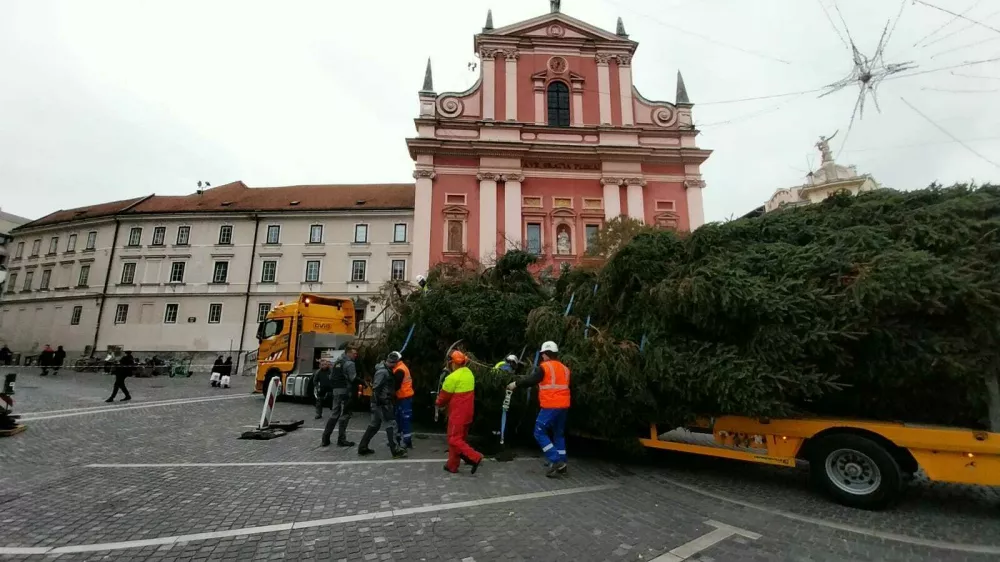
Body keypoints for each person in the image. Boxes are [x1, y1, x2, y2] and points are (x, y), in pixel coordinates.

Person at [508, 341, 570, 477]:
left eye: (543, 354)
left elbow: (532, 380)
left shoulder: (545, 367)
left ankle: (556, 461)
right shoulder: (565, 369)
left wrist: (516, 384)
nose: (542, 357)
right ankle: (563, 463)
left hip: (551, 405)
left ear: (547, 354)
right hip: (564, 406)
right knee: (558, 434)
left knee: (539, 432)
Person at [437, 350, 483, 474]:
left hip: (458, 414)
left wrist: (438, 403)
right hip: (468, 413)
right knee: (459, 439)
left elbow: (442, 398)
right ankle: (452, 465)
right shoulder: (469, 373)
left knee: (453, 439)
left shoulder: (452, 378)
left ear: (452, 363)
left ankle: (475, 457)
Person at [357, 355, 407, 458]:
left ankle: (362, 447)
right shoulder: (383, 372)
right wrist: (381, 401)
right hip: (382, 403)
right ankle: (395, 450)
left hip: (379, 402)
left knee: (374, 425)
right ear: (394, 363)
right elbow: (376, 388)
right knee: (391, 424)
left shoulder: (384, 370)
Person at [320, 347, 359, 448]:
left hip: (336, 391)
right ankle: (341, 440)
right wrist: (362, 381)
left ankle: (325, 439)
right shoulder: (350, 363)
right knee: (345, 414)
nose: (356, 355)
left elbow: (330, 376)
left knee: (334, 414)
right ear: (348, 353)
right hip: (345, 391)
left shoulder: (337, 362)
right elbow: (353, 378)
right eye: (354, 353)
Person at [387, 351, 414, 449]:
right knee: (398, 418)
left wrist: (389, 394)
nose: (389, 363)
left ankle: (407, 441)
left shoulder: (400, 370)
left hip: (404, 397)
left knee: (404, 419)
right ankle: (397, 439)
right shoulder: (399, 367)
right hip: (402, 397)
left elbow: (396, 385)